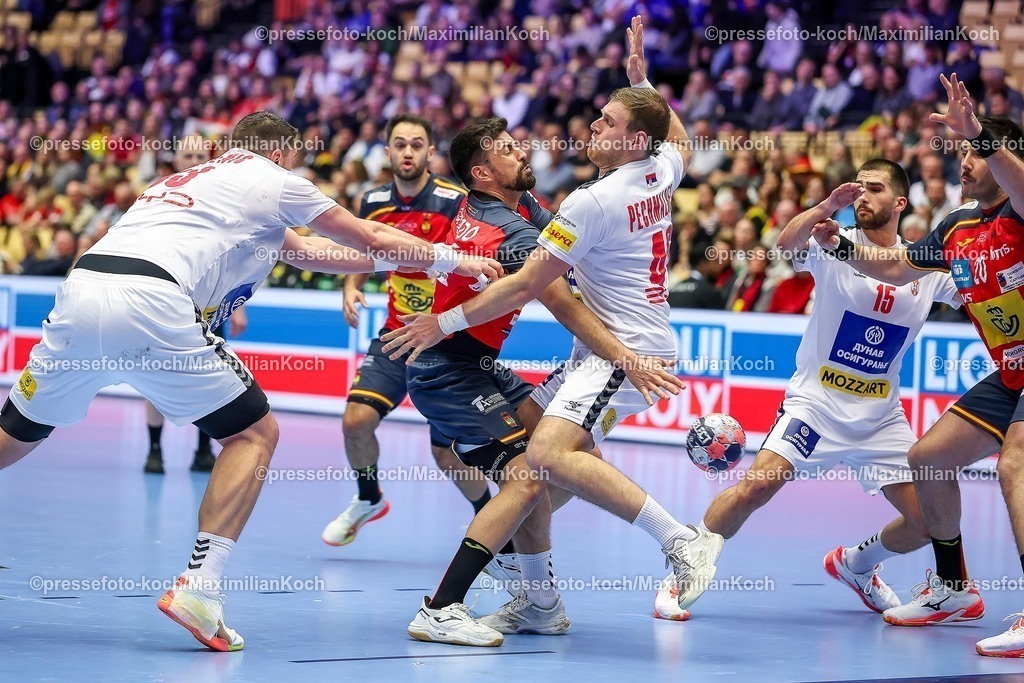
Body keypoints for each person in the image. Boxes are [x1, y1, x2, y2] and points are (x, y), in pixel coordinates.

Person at [0, 111, 501, 653]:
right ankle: (199, 587)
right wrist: (452, 259)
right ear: (281, 154)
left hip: (82, 292)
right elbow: (367, 233)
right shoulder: (274, 178)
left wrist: (407, 265)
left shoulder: (187, 183)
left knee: (15, 435)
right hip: (153, 302)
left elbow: (313, 253)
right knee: (253, 434)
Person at [382, 17, 707, 644]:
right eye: (508, 149)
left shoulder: (543, 201)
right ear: (483, 174)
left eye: (608, 120)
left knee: (553, 466)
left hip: (522, 359)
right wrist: (443, 320)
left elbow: (673, 141)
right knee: (537, 472)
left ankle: (538, 593)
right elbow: (551, 295)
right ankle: (464, 601)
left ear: (637, 140)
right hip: (456, 367)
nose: (525, 150)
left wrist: (641, 88)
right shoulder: (546, 214)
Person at [655, 161, 960, 619]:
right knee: (755, 488)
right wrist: (824, 206)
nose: (863, 196)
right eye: (858, 187)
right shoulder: (833, 243)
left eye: (875, 188)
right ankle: (681, 571)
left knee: (928, 523)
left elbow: (977, 292)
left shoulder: (921, 265)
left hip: (881, 418)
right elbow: (785, 244)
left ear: (901, 202)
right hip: (815, 406)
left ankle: (856, 565)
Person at [810, 74, 1024, 656]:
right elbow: (896, 267)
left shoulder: (1020, 209)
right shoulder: (956, 227)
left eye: (972, 154)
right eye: (960, 154)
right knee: (928, 458)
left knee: (1014, 467)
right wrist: (841, 246)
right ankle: (953, 589)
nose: (964, 163)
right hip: (1013, 374)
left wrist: (980, 134)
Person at [321, 114, 490, 547]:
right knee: (356, 421)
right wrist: (351, 286)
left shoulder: (456, 201)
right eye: (400, 144)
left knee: (445, 453)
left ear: (430, 152)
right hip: (397, 334)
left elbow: (476, 261)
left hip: (447, 342)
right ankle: (368, 498)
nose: (408, 152)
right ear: (388, 151)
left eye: (417, 144)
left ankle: (492, 522)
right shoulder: (373, 200)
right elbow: (360, 249)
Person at [145, 133, 248, 474]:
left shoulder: (223, 200)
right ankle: (154, 450)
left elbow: (235, 254)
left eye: (199, 156)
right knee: (155, 375)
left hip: (209, 305)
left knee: (210, 376)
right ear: (175, 160)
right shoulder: (157, 194)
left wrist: (238, 305)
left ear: (210, 160)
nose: (193, 161)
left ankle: (203, 450)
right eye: (187, 156)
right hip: (165, 298)